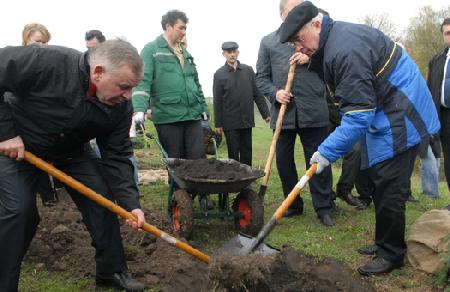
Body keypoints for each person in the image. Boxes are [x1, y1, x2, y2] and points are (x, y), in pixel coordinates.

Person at [279, 1, 440, 275]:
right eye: (293, 44)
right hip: (386, 108)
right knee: (378, 178)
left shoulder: (344, 50)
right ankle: (384, 242)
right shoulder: (332, 40)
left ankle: (392, 254)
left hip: (402, 112)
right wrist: (312, 58)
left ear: (316, 24)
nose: (298, 48)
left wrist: (326, 152)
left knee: (389, 184)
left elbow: (358, 115)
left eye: (298, 40)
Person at [0, 39, 147, 291]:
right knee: (19, 211)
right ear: (98, 72)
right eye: (124, 87)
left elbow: (117, 154)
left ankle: (111, 272)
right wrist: (5, 132)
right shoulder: (45, 62)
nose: (128, 96)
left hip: (71, 151)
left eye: (132, 89)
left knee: (102, 199)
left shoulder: (120, 105)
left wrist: (131, 204)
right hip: (18, 146)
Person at [256, 0, 335, 226]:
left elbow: (331, 68)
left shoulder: (318, 39)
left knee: (319, 158)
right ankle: (292, 205)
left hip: (315, 111)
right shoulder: (268, 42)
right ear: (282, 15)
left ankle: (324, 207)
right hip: (284, 114)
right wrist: (275, 93)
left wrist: (312, 59)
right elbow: (261, 77)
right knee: (284, 160)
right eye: (292, 11)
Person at [132, 10, 208, 161]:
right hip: (168, 117)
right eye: (181, 27)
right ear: (168, 26)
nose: (184, 32)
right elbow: (143, 81)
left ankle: (196, 185)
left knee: (198, 158)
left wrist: (204, 109)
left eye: (185, 28)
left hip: (192, 115)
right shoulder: (151, 50)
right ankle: (178, 185)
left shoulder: (185, 53)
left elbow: (196, 83)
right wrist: (139, 109)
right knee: (176, 160)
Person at [213, 41, 270, 166]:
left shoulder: (248, 71)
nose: (232, 54)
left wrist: (266, 114)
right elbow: (217, 101)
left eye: (234, 52)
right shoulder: (219, 74)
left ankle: (247, 180)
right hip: (230, 122)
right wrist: (218, 124)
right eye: (229, 52)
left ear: (238, 53)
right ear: (224, 54)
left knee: (247, 152)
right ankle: (235, 180)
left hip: (246, 120)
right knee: (233, 154)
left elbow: (257, 94)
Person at [428, 18, 450, 200]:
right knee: (449, 160)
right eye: (447, 33)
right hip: (444, 116)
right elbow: (430, 90)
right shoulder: (436, 60)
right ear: (443, 36)